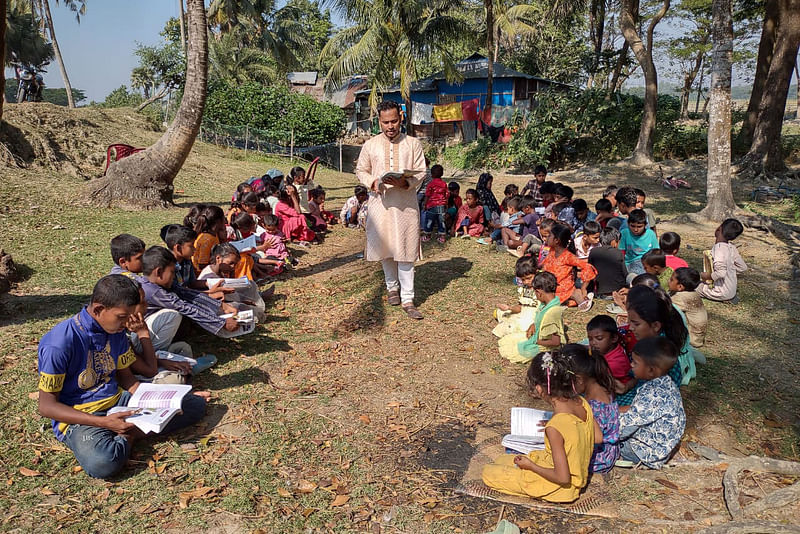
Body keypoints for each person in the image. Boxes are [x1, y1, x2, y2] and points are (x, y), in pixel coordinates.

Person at [36, 274, 207, 479]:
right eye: (122, 317)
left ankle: (128, 432)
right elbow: (46, 406)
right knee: (103, 463)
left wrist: (159, 399)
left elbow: (127, 378)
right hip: (82, 418)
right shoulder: (59, 344)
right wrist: (104, 423)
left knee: (194, 406)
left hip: (119, 402)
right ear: (99, 309)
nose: (127, 323)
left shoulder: (115, 331)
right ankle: (127, 433)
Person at [481, 350, 595, 502]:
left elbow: (562, 477)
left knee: (488, 473)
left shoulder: (555, 428)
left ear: (540, 389)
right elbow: (598, 437)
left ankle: (527, 474)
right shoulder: (583, 403)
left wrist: (531, 466)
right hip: (572, 473)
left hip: (560, 488)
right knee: (503, 459)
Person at [355, 100, 427, 320]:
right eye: (386, 122)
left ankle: (408, 298)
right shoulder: (370, 145)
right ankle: (392, 288)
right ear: (379, 121)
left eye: (394, 121)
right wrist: (374, 183)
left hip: (405, 205)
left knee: (405, 250)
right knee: (386, 248)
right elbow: (361, 170)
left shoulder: (413, 143)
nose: (390, 126)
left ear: (401, 119)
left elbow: (421, 171)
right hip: (381, 204)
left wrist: (406, 183)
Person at [139, 246, 244, 338]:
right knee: (174, 314)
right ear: (159, 272)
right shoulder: (154, 291)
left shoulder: (160, 283)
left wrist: (222, 306)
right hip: (146, 333)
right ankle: (160, 351)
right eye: (172, 272)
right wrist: (221, 323)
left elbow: (188, 293)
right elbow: (184, 307)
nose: (174, 276)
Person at [616, 285, 694, 406]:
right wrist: (629, 384)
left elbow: (651, 405)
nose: (630, 328)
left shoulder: (661, 354)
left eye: (636, 324)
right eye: (630, 322)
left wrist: (615, 411)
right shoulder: (651, 341)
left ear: (656, 325)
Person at [618, 337, 686, 469]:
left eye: (635, 363)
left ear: (650, 370)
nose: (631, 365)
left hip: (646, 452)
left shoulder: (652, 394)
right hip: (663, 446)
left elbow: (625, 428)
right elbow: (638, 411)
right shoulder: (667, 384)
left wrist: (601, 429)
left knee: (601, 443)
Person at [109, 234, 183, 353]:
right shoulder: (134, 281)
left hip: (128, 336)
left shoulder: (116, 276)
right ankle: (157, 354)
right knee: (172, 314)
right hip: (128, 338)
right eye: (139, 258)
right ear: (123, 262)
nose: (144, 261)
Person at [567, 343, 620, 473]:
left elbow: (592, 438)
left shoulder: (595, 405)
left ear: (578, 379)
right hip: (608, 452)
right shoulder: (600, 386)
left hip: (598, 457)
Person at [499, 271, 565, 363]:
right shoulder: (546, 304)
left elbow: (555, 342)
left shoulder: (552, 313)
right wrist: (534, 325)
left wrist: (538, 342)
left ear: (539, 292)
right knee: (508, 340)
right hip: (537, 338)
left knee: (513, 351)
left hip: (544, 347)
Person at [197, 242, 268, 322]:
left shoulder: (221, 272)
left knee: (251, 285)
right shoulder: (208, 276)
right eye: (230, 263)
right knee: (250, 312)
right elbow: (214, 300)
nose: (233, 267)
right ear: (218, 259)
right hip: (219, 308)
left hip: (230, 302)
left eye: (235, 264)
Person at [540, 224, 597, 311]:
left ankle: (577, 294)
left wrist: (584, 288)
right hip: (549, 287)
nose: (546, 238)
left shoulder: (568, 256)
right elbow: (544, 264)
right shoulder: (551, 251)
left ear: (556, 240)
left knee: (552, 302)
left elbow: (588, 267)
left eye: (549, 236)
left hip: (564, 289)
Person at [697, 218, 747, 303]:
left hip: (720, 292)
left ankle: (722, 297)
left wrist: (707, 276)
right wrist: (730, 271)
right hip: (732, 291)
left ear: (719, 228)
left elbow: (721, 273)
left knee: (694, 286)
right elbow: (743, 268)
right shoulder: (731, 247)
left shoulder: (719, 249)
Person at [493, 255, 539, 338]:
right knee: (501, 312)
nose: (526, 282)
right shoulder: (524, 288)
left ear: (536, 272)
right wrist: (509, 308)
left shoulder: (541, 288)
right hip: (523, 313)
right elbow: (520, 307)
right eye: (523, 279)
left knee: (519, 324)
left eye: (529, 278)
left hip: (535, 317)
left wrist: (535, 323)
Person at [586, 314, 632, 394]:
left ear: (614, 338)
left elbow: (592, 377)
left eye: (599, 338)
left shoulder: (614, 363)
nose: (593, 343)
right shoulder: (607, 349)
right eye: (590, 339)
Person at [669, 267, 707, 348]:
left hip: (691, 340)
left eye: (671, 280)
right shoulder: (694, 293)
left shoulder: (679, 297)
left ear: (680, 287)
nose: (668, 281)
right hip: (698, 337)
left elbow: (664, 306)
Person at [618, 209, 659, 276]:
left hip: (645, 264)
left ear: (645, 225)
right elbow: (621, 252)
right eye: (632, 226)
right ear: (628, 224)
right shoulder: (625, 233)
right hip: (628, 264)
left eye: (639, 227)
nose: (635, 230)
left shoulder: (651, 234)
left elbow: (655, 253)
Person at [588, 227, 627, 296]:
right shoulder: (618, 253)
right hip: (617, 291)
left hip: (600, 291)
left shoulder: (593, 252)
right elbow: (624, 273)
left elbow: (589, 271)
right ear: (614, 242)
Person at [421, 164, 449, 243]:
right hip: (441, 206)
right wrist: (446, 204)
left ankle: (427, 236)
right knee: (441, 221)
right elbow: (446, 195)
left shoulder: (431, 184)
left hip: (432, 205)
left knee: (429, 221)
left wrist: (425, 205)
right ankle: (442, 237)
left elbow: (427, 195)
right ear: (442, 174)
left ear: (432, 174)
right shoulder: (444, 184)